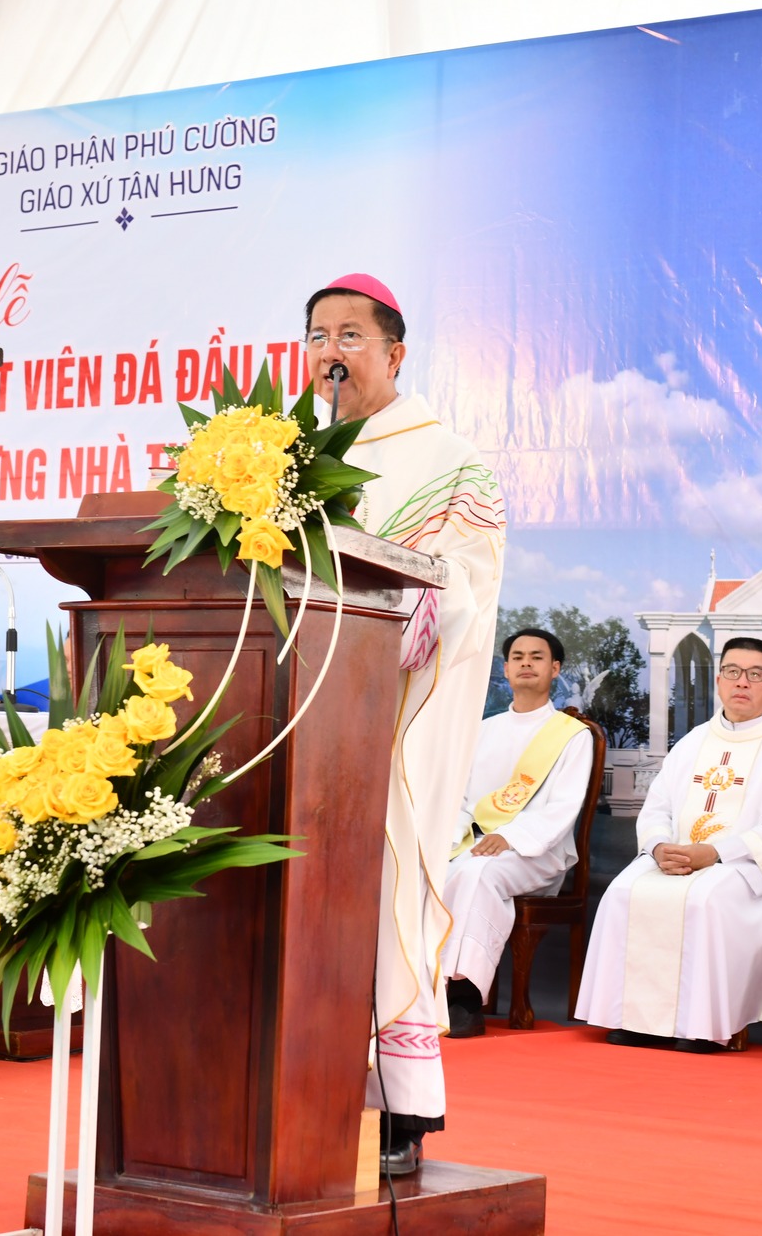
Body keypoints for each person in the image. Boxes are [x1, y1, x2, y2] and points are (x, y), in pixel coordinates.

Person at [307, 273, 505, 1175]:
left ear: (395, 352)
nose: (331, 351)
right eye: (318, 335)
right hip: (294, 718)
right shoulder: (281, 459)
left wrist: (400, 616)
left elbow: (468, 584)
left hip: (392, 716)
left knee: (383, 890)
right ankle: (293, 1080)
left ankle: (394, 1100)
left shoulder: (450, 461)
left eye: (350, 335)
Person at [575, 637, 762, 1051]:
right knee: (623, 891)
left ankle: (703, 1027)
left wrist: (715, 853)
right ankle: (633, 1020)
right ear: (719, 681)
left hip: (743, 868)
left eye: (756, 674)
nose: (743, 682)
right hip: (676, 856)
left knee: (706, 899)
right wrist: (658, 847)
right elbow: (656, 808)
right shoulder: (693, 742)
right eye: (733, 672)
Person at [440, 628, 594, 1038]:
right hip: (474, 844)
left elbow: (563, 807)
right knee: (430, 870)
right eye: (518, 657)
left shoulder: (571, 735)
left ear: (555, 669)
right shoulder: (483, 731)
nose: (527, 663)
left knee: (478, 874)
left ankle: (464, 997)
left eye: (537, 657)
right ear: (506, 669)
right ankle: (424, 992)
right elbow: (460, 799)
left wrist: (510, 837)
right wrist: (451, 840)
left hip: (536, 852)